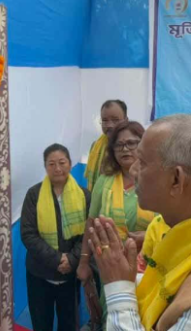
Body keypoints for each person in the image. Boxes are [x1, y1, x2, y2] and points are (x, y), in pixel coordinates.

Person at [89, 114, 191, 331]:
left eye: (142, 162)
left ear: (176, 180)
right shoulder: (182, 226)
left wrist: (119, 287)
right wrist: (132, 277)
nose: (133, 170)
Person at [77, 121, 158, 325]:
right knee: (113, 318)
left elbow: (172, 225)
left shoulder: (157, 181)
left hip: (150, 269)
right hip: (110, 268)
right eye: (119, 145)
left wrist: (147, 237)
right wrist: (84, 262)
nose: (125, 149)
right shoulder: (105, 181)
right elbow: (91, 223)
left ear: (143, 145)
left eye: (132, 143)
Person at [21, 144, 92, 331]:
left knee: (68, 324)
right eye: (51, 164)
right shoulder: (34, 195)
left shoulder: (84, 196)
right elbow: (28, 234)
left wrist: (72, 259)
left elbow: (88, 232)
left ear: (69, 164)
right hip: (39, 273)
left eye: (62, 162)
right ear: (45, 167)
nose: (57, 168)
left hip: (70, 274)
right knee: (41, 323)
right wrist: (57, 259)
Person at [85, 100, 129, 192]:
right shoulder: (95, 146)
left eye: (115, 120)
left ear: (126, 121)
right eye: (105, 120)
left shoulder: (132, 147)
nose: (109, 125)